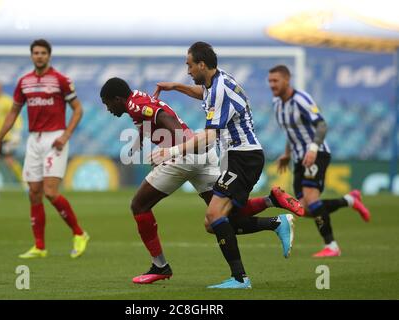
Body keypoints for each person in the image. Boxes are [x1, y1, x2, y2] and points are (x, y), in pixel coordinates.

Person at [101, 77, 302, 286]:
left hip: (183, 158)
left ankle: (160, 265)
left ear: (117, 99)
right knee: (222, 216)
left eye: (107, 104)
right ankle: (272, 206)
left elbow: (166, 120)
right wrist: (138, 141)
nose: (108, 109)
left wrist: (173, 152)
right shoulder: (138, 99)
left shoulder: (134, 105)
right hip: (203, 155)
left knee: (139, 206)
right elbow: (150, 119)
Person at [152, 42, 303, 289]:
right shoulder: (213, 83)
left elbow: (210, 137)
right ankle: (275, 217)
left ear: (202, 64)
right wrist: (176, 87)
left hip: (243, 157)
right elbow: (203, 94)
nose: (187, 71)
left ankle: (240, 278)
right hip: (237, 157)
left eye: (189, 65)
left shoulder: (220, 88)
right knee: (215, 223)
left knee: (214, 216)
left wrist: (171, 151)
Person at [0, 39, 89, 259]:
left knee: (50, 192)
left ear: (49, 55)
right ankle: (39, 246)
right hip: (34, 140)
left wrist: (65, 135)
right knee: (34, 193)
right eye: (36, 52)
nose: (39, 56)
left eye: (43, 52)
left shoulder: (60, 80)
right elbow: (13, 112)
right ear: (31, 55)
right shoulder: (24, 82)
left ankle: (79, 233)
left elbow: (78, 110)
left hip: (55, 138)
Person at [267, 65, 371, 258]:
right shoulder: (277, 105)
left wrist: (313, 148)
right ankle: (350, 200)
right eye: (270, 81)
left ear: (287, 80)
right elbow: (291, 132)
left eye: (276, 80)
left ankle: (331, 246)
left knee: (312, 199)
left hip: (316, 154)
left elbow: (321, 125)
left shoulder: (301, 99)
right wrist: (287, 154)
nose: (272, 84)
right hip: (299, 159)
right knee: (303, 209)